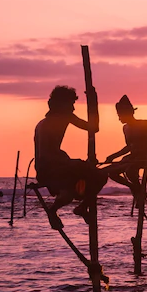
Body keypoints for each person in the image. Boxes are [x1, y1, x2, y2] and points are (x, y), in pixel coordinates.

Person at [34, 85, 107, 228]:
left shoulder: (65, 117)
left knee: (98, 176)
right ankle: (54, 210)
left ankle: (82, 207)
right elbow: (45, 157)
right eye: (71, 104)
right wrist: (75, 164)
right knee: (72, 190)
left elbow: (93, 128)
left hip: (61, 165)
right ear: (60, 105)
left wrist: (93, 100)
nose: (73, 109)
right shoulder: (45, 125)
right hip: (48, 169)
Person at [104, 95, 147, 199]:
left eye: (121, 115)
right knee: (111, 172)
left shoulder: (144, 124)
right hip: (131, 157)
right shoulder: (125, 128)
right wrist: (113, 156)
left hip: (143, 157)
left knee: (130, 171)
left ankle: (138, 191)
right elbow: (128, 147)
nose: (119, 118)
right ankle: (135, 188)